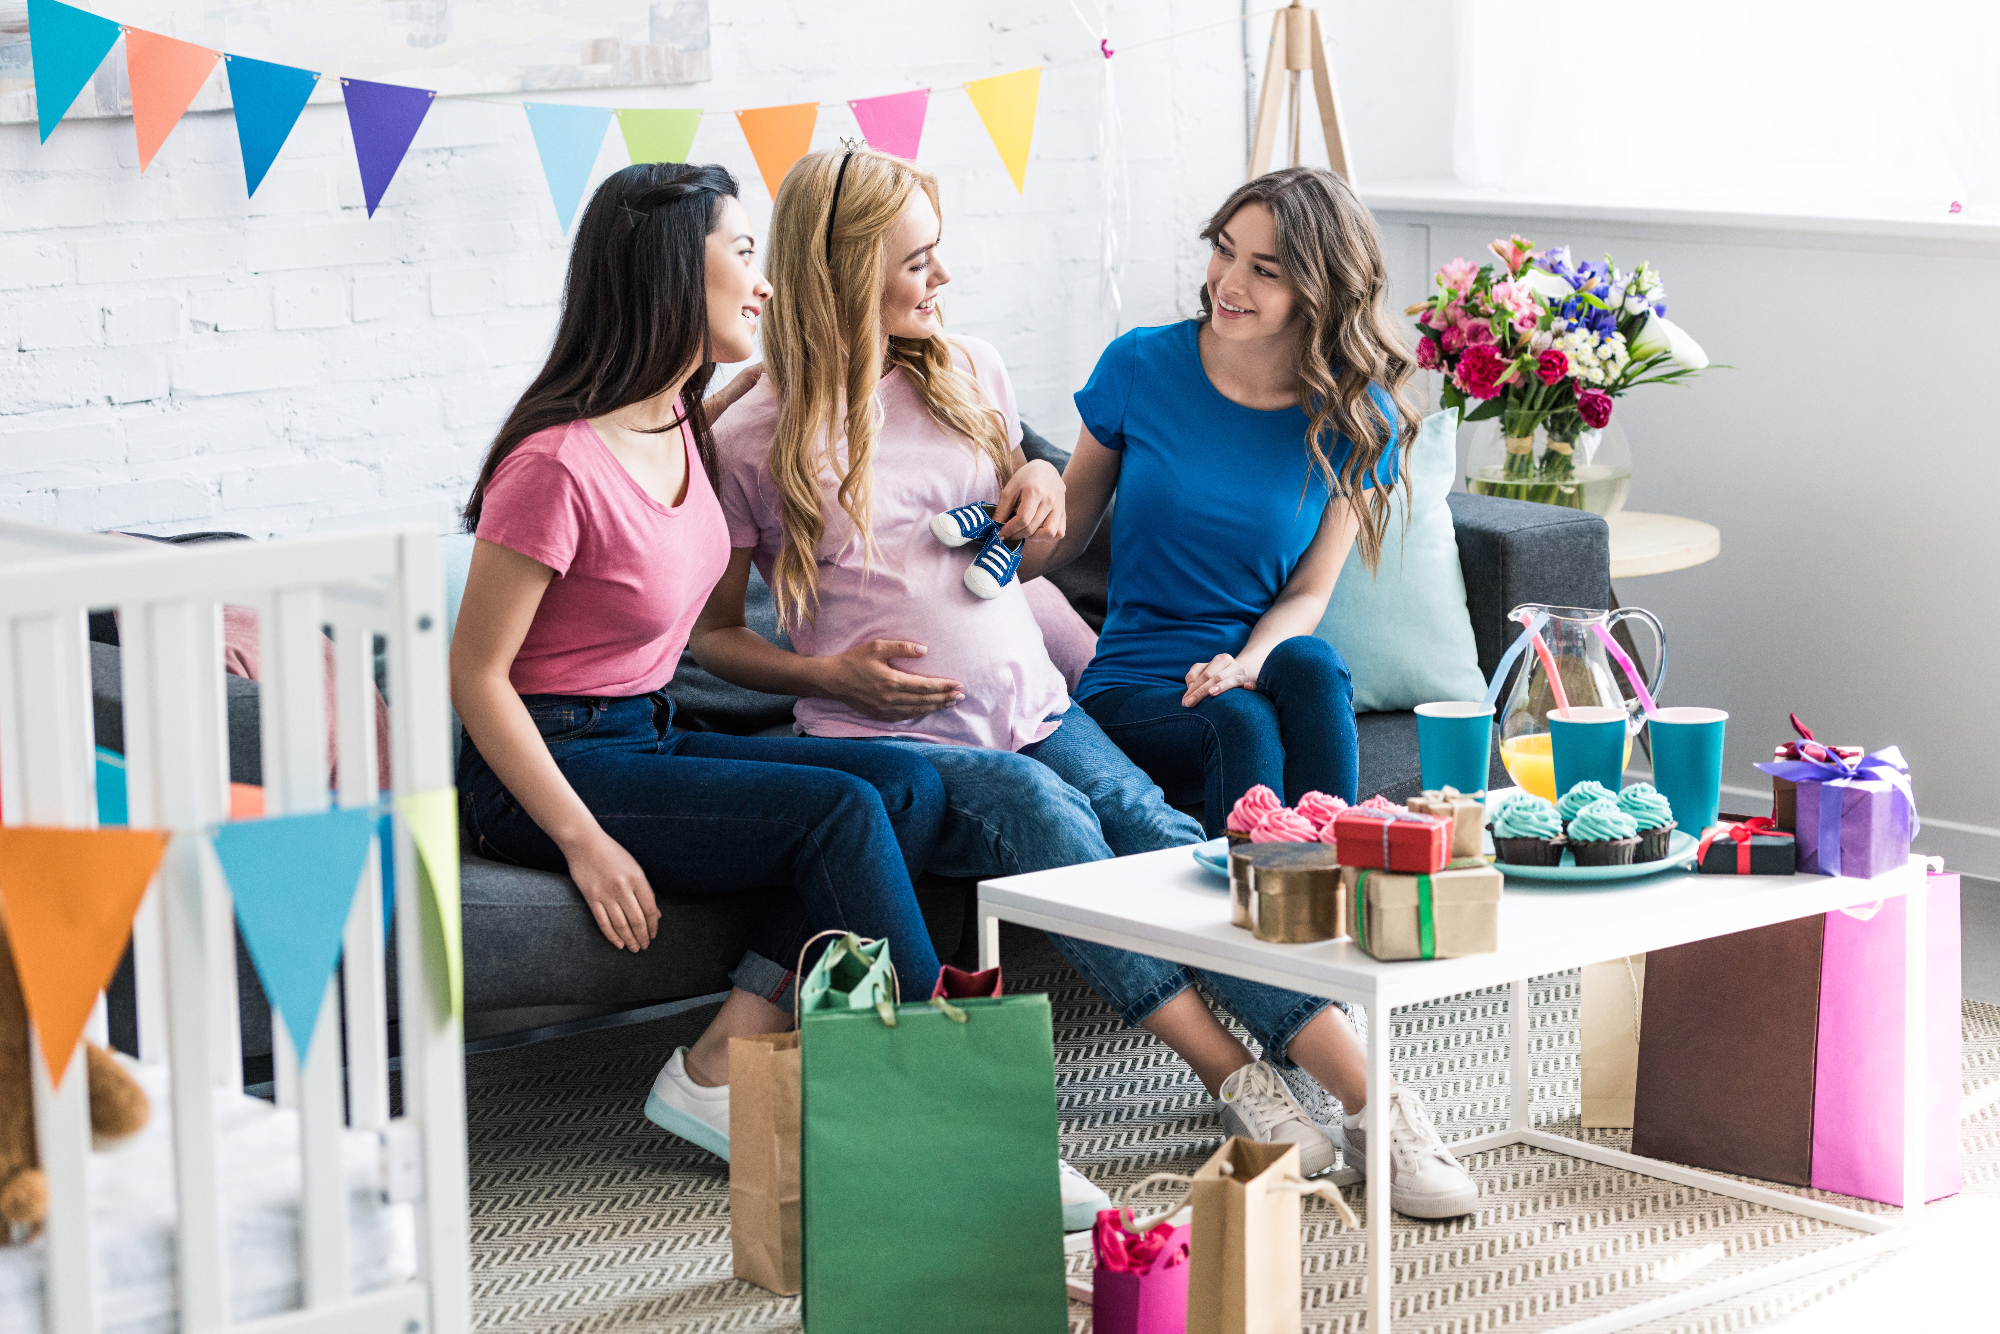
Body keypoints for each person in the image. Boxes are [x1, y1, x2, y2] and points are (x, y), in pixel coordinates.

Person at [450, 162, 947, 1165]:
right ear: (675, 270)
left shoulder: (681, 416)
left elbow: (798, 370)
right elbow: (476, 675)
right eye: (741, 254)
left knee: (902, 780)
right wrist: (583, 840)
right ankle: (952, 1094)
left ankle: (721, 1062)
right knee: (840, 810)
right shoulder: (552, 464)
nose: (762, 284)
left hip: (645, 730)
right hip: (552, 762)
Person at [1019, 167, 1478, 1218]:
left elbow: (1310, 591)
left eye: (1262, 268)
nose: (1226, 279)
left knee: (1306, 669)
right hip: (1138, 683)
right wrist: (998, 524)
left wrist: (1248, 655)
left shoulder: (1349, 411)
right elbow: (1067, 535)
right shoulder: (1140, 367)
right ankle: (1348, 1060)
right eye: (1222, 248)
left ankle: (1329, 974)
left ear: (1315, 288)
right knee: (1232, 712)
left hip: (1252, 668)